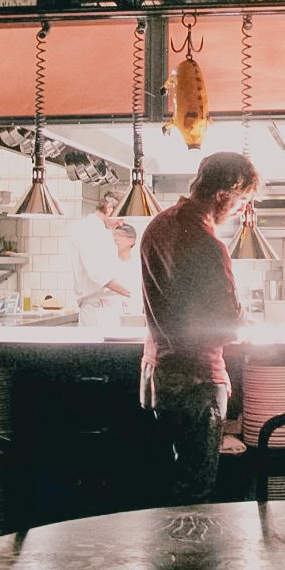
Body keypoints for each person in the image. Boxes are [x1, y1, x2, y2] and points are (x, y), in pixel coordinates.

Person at [139, 151, 259, 503]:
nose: (240, 210)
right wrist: (245, 321)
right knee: (196, 490)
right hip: (198, 381)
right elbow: (227, 326)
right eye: (242, 201)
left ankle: (169, 554)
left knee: (168, 484)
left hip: (158, 376)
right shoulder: (208, 244)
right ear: (225, 192)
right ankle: (193, 557)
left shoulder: (157, 227)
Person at [71, 190, 131, 327]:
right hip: (98, 311)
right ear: (109, 208)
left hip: (105, 308)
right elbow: (102, 275)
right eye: (121, 217)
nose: (121, 223)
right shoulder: (89, 229)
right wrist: (134, 294)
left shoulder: (100, 230)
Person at [112, 222, 141, 318]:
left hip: (135, 313)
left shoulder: (139, 264)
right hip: (112, 313)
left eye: (119, 235)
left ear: (131, 240)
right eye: (114, 235)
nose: (115, 239)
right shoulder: (109, 264)